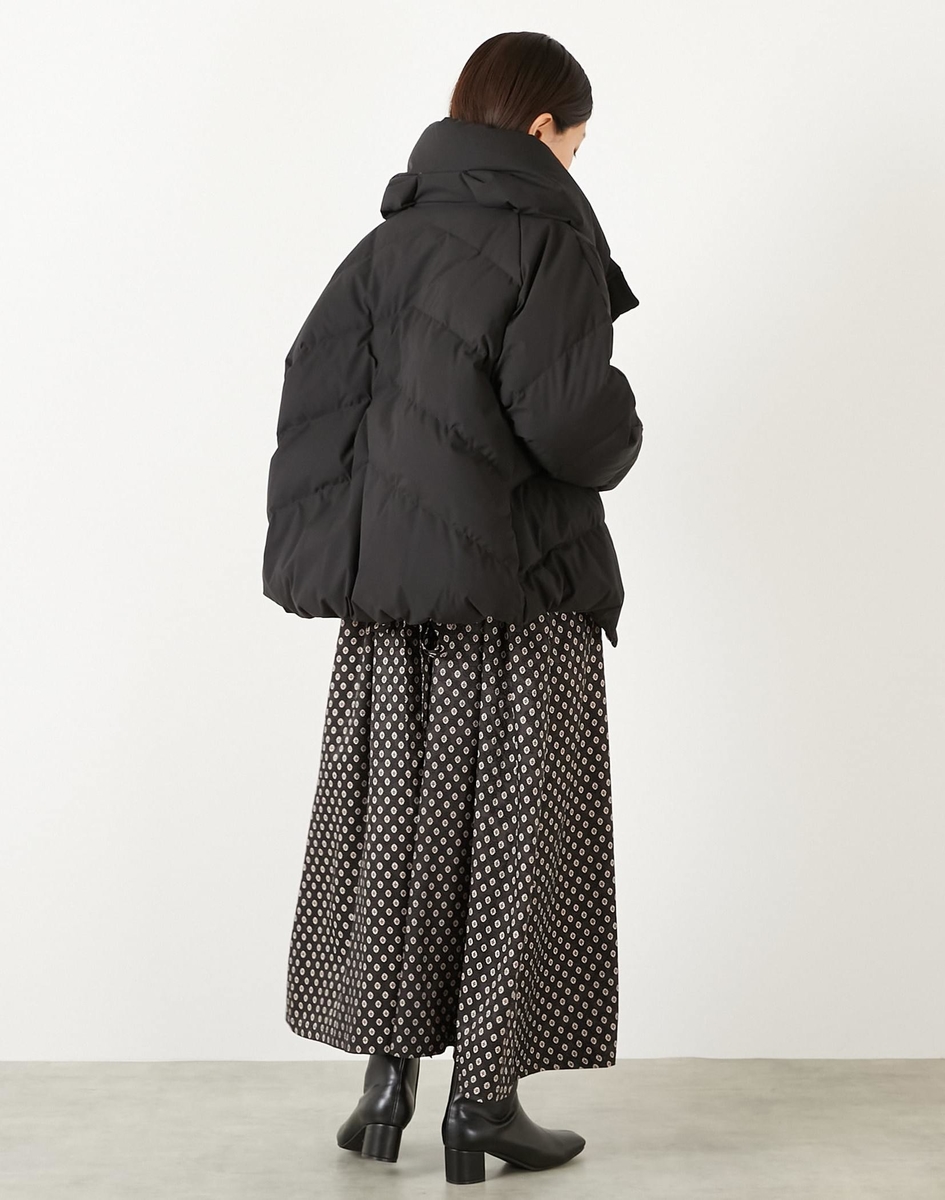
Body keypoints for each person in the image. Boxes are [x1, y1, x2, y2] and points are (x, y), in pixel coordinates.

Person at [262, 30, 643, 1187]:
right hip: (516, 595)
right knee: (517, 838)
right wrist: (624, 418)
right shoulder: (548, 240)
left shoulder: (384, 245)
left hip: (392, 606)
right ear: (543, 129)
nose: (575, 163)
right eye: (577, 142)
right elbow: (570, 423)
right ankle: (483, 1107)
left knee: (402, 834)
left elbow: (314, 402)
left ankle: (385, 1094)